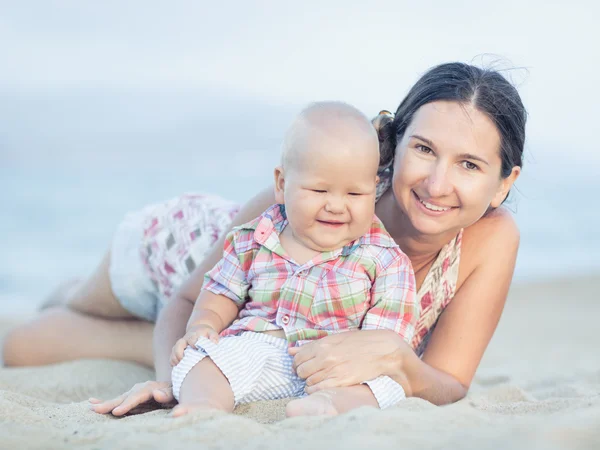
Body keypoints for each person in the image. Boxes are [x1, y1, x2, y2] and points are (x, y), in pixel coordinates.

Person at [2, 62, 525, 417]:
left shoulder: (491, 239)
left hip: (257, 333)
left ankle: (199, 344)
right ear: (394, 145)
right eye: (425, 149)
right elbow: (189, 297)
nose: (437, 183)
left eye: (470, 165)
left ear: (504, 182)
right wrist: (174, 378)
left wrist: (399, 361)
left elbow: (450, 383)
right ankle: (73, 292)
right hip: (185, 257)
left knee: (24, 349)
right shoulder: (327, 201)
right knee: (38, 332)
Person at [169, 102, 418, 417]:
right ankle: (205, 406)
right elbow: (221, 291)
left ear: (374, 189)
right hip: (258, 351)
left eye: (355, 194)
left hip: (337, 365)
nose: (336, 206)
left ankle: (329, 406)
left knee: (389, 386)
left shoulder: (385, 259)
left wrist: (358, 369)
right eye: (319, 190)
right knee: (198, 359)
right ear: (282, 184)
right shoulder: (256, 237)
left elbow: (385, 338)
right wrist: (204, 324)